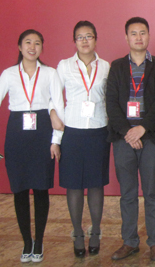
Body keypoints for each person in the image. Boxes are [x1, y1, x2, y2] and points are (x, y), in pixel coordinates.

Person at [0, 29, 64, 263]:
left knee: (41, 189)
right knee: (19, 190)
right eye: (27, 42)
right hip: (16, 135)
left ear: (42, 47)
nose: (32, 47)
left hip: (42, 134)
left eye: (37, 43)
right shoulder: (9, 74)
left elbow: (59, 107)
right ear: (19, 47)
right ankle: (26, 242)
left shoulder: (50, 73)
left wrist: (56, 141)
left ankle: (39, 241)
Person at [106, 17, 155, 262]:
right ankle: (130, 242)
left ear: (149, 36)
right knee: (128, 193)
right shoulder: (117, 66)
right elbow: (111, 103)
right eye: (133, 33)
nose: (138, 37)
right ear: (126, 38)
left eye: (142, 33)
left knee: (151, 192)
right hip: (123, 138)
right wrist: (128, 132)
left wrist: (142, 128)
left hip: (150, 137)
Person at [56, 21, 111, 258]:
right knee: (74, 184)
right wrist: (55, 130)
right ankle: (78, 232)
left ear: (96, 39)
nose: (85, 41)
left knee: (96, 184)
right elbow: (54, 98)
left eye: (89, 36)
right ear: (74, 41)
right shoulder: (64, 66)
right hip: (72, 132)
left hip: (99, 130)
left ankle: (96, 231)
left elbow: (110, 98)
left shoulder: (106, 66)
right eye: (80, 37)